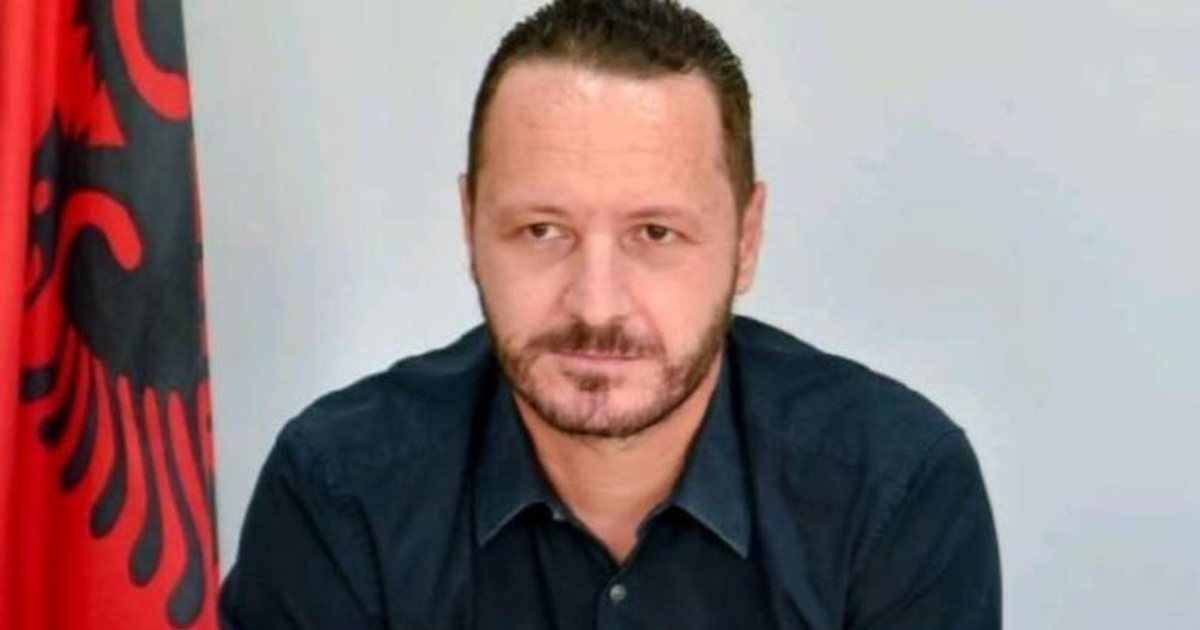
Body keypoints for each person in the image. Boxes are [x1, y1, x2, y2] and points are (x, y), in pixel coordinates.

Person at [218, 1, 1001, 628]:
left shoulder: (893, 489)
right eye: (542, 230)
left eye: (654, 234)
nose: (596, 304)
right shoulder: (342, 490)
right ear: (469, 224)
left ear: (746, 240)